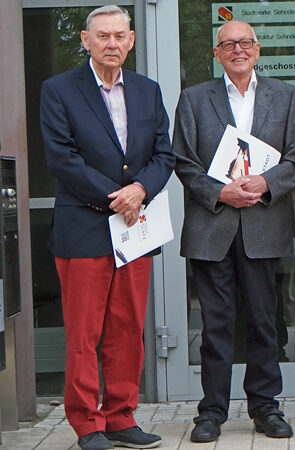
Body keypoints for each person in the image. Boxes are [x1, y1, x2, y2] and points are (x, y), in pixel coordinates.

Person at [39, 5, 174, 450]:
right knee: (83, 334)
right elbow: (62, 158)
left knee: (128, 329)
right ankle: (87, 425)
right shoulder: (59, 90)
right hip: (84, 227)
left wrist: (140, 189)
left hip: (134, 229)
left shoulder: (148, 90)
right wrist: (119, 197)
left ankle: (121, 418)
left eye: (120, 36)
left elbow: (163, 155)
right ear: (85, 39)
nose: (112, 43)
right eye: (103, 36)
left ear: (131, 40)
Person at [172, 20, 295, 442]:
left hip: (264, 225)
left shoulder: (285, 97)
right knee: (215, 326)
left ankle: (266, 407)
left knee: (264, 323)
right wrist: (220, 192)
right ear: (216, 54)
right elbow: (183, 162)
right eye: (228, 44)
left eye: (245, 43)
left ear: (257, 49)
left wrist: (265, 184)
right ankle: (211, 412)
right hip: (212, 226)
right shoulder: (194, 99)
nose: (237, 50)